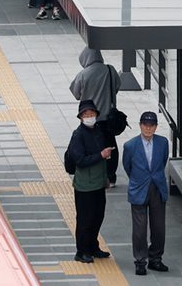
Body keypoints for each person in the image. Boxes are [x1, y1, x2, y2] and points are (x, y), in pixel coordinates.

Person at [122, 111, 170, 276]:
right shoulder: (130, 145)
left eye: (151, 125)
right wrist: (137, 180)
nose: (148, 128)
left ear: (156, 127)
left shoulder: (163, 143)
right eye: (145, 125)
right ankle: (140, 261)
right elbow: (127, 166)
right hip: (139, 189)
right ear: (140, 125)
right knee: (139, 229)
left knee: (158, 227)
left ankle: (155, 258)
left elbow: (163, 162)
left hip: (157, 188)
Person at [68, 100, 112, 264]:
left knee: (98, 216)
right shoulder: (78, 135)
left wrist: (105, 176)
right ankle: (82, 250)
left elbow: (103, 160)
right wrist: (100, 155)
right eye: (86, 115)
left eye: (91, 114)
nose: (89, 117)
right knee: (85, 219)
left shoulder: (99, 131)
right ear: (80, 117)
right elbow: (79, 160)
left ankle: (93, 246)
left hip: (99, 183)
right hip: (85, 186)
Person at [70, 48, 122, 186]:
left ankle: (96, 175)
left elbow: (76, 94)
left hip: (90, 118)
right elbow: (117, 86)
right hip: (108, 118)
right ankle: (111, 177)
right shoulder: (110, 70)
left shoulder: (83, 74)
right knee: (111, 146)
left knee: (92, 147)